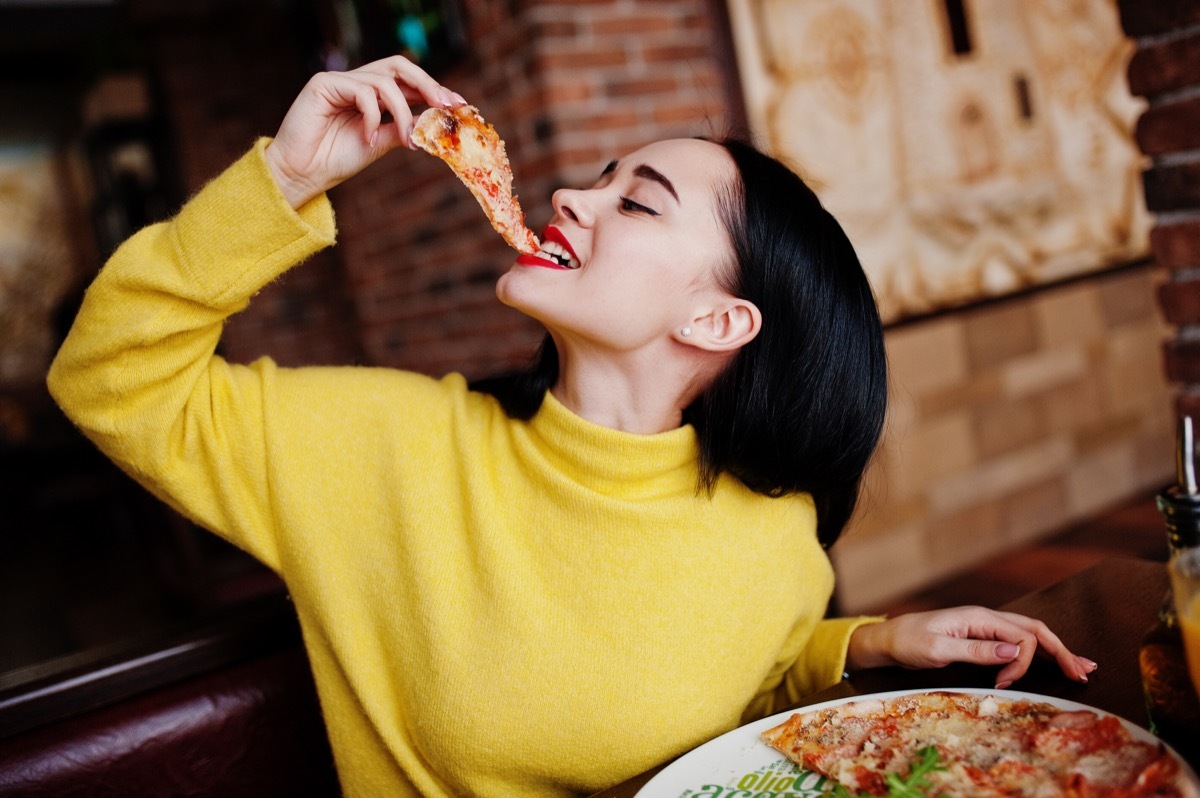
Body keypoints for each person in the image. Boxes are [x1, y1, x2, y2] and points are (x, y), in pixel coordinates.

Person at [48, 56, 1097, 797]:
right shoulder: (381, 446)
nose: (565, 198)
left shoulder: (772, 532)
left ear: (719, 320)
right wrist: (282, 180)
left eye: (634, 203)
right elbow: (110, 380)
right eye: (597, 180)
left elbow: (741, 681)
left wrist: (865, 643)